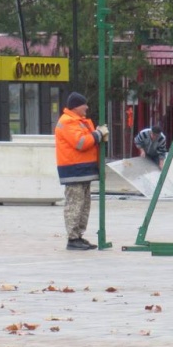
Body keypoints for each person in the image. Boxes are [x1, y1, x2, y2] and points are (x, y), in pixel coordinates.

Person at [54, 92, 108, 251]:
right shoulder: (67, 122)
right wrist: (98, 134)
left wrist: (97, 134)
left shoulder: (78, 121)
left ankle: (78, 236)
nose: (87, 107)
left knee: (83, 206)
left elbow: (88, 140)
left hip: (83, 170)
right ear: (76, 106)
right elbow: (81, 143)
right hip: (74, 171)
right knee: (75, 205)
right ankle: (72, 238)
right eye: (84, 104)